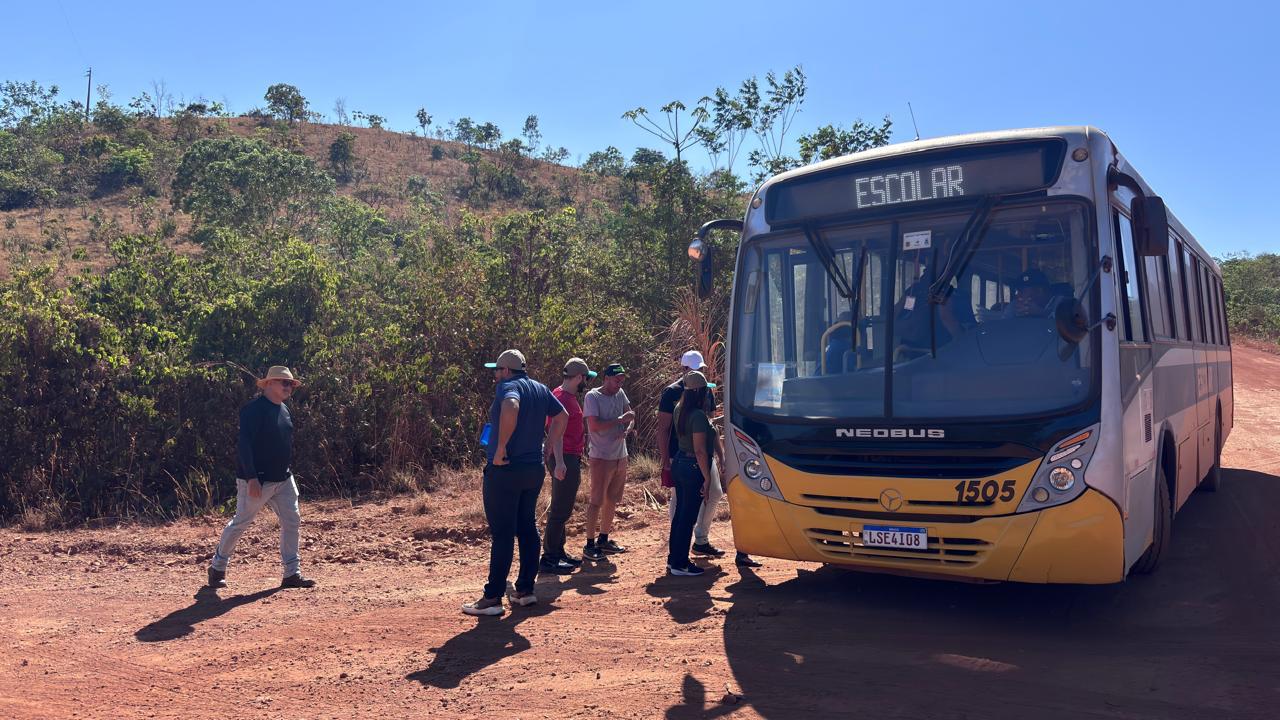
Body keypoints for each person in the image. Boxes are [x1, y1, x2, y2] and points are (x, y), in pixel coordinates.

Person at [462, 349, 568, 617]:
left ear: (506, 371)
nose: (495, 376)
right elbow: (562, 416)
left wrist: (500, 447)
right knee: (527, 526)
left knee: (503, 532)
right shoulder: (541, 389)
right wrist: (548, 449)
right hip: (532, 469)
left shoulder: (508, 387)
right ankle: (525, 591)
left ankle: (493, 597)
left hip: (506, 469)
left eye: (496, 371)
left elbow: (511, 405)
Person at [207, 366, 316, 590]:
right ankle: (217, 568)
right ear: (268, 384)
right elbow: (244, 446)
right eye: (283, 382)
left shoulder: (284, 410)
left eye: (290, 384)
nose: (288, 387)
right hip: (258, 480)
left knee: (292, 520)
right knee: (241, 523)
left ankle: (291, 574)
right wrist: (252, 478)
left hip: (284, 479)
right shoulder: (253, 410)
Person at [658, 350, 760, 568]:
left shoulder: (697, 396)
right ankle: (679, 553)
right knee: (684, 509)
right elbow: (668, 431)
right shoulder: (674, 395)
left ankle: (694, 543)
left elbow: (711, 429)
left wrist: (720, 454)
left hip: (693, 458)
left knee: (710, 496)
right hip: (689, 459)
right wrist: (666, 459)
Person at [540, 357, 596, 574]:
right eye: (585, 379)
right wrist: (561, 462)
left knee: (563, 507)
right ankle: (550, 558)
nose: (586, 384)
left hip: (567, 457)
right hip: (563, 457)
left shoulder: (563, 395)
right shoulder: (562, 397)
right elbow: (557, 431)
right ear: (579, 377)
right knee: (560, 510)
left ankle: (558, 552)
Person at [667, 371, 724, 576]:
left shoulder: (679, 408)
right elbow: (700, 450)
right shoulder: (698, 415)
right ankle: (680, 564)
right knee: (688, 516)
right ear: (699, 391)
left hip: (681, 462)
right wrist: (707, 479)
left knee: (680, 515)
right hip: (693, 466)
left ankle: (674, 559)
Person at [581, 363, 634, 561]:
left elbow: (631, 415)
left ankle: (604, 539)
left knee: (612, 499)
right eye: (616, 380)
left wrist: (627, 429)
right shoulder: (592, 397)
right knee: (596, 500)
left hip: (620, 455)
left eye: (621, 381)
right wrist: (620, 420)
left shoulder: (620, 394)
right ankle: (589, 544)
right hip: (601, 456)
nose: (619, 384)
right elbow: (594, 426)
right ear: (606, 378)